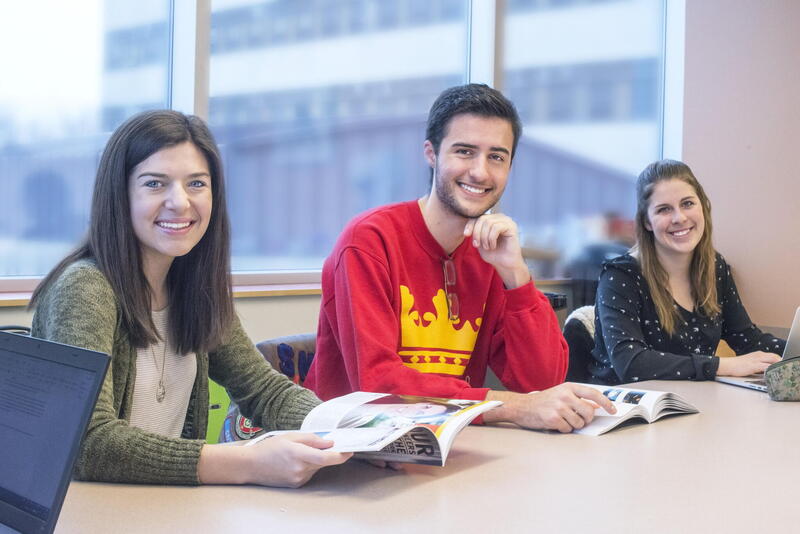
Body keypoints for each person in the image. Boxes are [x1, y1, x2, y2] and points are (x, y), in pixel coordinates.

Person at [29, 110, 351, 488]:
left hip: (169, 508)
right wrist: (246, 462)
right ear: (119, 194)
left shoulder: (194, 284)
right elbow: (87, 442)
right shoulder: (86, 288)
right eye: (155, 184)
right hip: (92, 513)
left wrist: (349, 430)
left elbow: (264, 390)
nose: (180, 202)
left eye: (196, 183)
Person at [304, 84, 616, 433]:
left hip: (448, 445)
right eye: (465, 151)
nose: (481, 172)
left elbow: (541, 382)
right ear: (431, 154)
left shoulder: (491, 254)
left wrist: (516, 275)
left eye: (496, 156)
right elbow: (378, 383)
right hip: (349, 450)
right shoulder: (369, 241)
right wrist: (508, 406)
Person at [589, 159, 784, 384]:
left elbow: (747, 339)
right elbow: (631, 363)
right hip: (624, 409)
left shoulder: (714, 267)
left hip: (691, 403)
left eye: (688, 204)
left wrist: (792, 351)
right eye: (664, 209)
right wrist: (721, 365)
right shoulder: (621, 275)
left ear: (703, 207)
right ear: (647, 222)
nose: (679, 218)